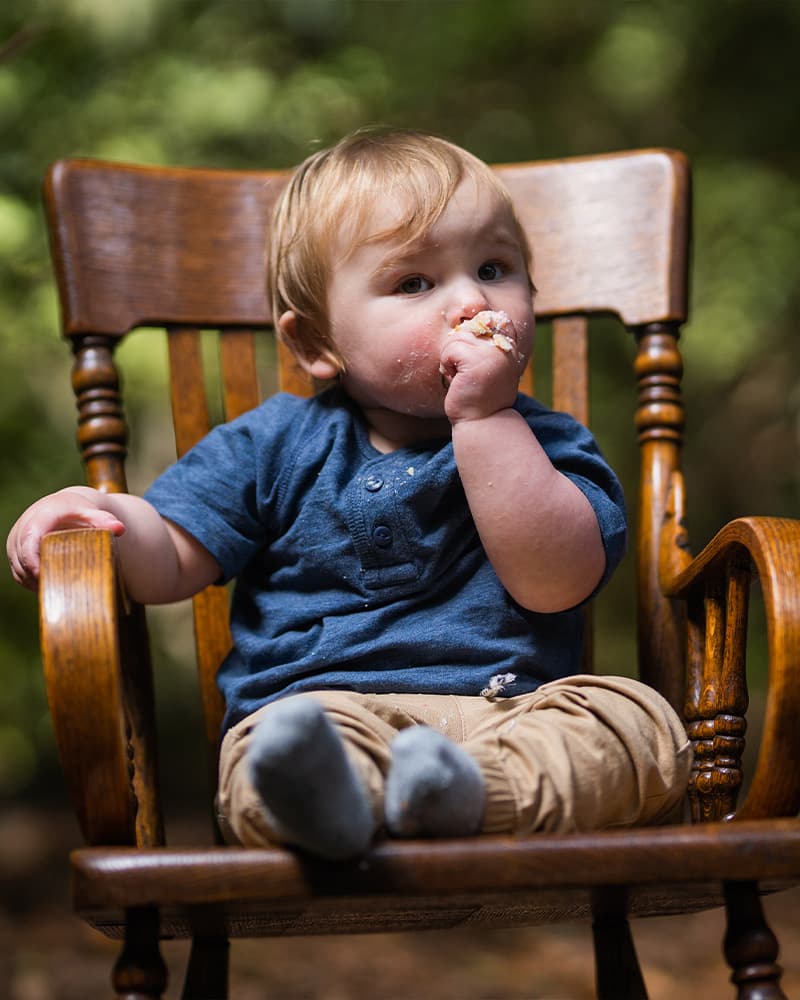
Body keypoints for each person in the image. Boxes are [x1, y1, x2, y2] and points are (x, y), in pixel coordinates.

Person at [7, 129, 691, 860]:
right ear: (316, 344)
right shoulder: (273, 444)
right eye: (414, 283)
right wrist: (102, 515)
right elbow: (171, 557)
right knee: (270, 755)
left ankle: (463, 795)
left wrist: (485, 421)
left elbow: (556, 583)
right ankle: (342, 800)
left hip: (515, 712)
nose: (469, 300)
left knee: (640, 724)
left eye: (494, 268)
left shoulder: (550, 443)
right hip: (327, 715)